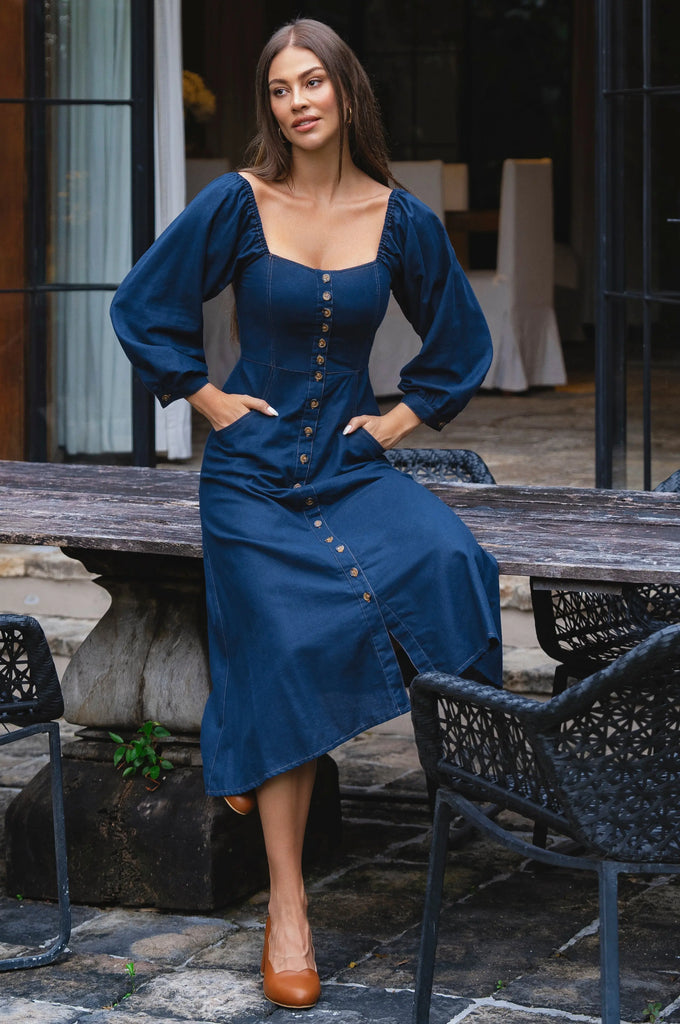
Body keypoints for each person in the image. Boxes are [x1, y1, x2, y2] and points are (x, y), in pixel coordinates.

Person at [111, 17, 501, 1011]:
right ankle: (287, 906)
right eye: (280, 88)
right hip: (246, 475)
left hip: (346, 464)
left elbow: (458, 341)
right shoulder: (235, 204)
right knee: (283, 644)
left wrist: (394, 422)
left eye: (312, 81)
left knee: (450, 559)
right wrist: (204, 397)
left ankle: (244, 727)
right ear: (270, 108)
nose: (298, 101)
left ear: (344, 92)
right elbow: (143, 305)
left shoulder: (397, 216)